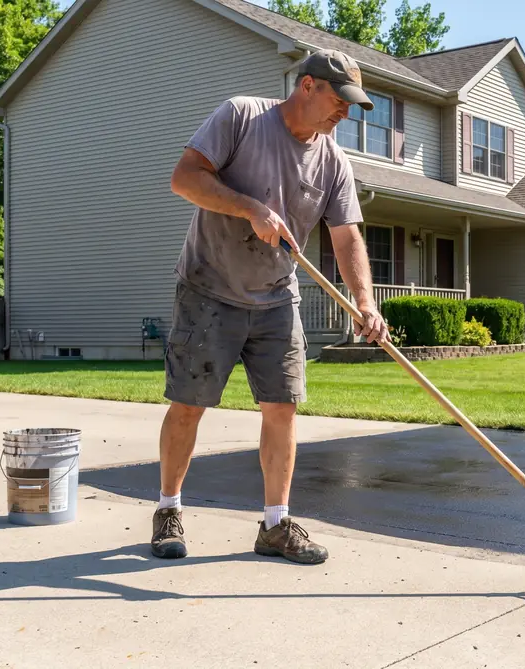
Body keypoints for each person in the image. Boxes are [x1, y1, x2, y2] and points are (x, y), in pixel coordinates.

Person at [150, 49, 390, 564]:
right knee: (190, 404)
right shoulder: (241, 116)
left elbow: (347, 240)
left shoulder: (334, 161)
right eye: (338, 99)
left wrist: (364, 302)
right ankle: (168, 508)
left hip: (278, 297)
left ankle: (275, 526)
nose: (344, 113)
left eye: (352, 105)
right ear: (306, 86)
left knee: (282, 408)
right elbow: (184, 178)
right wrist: (250, 208)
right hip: (209, 287)